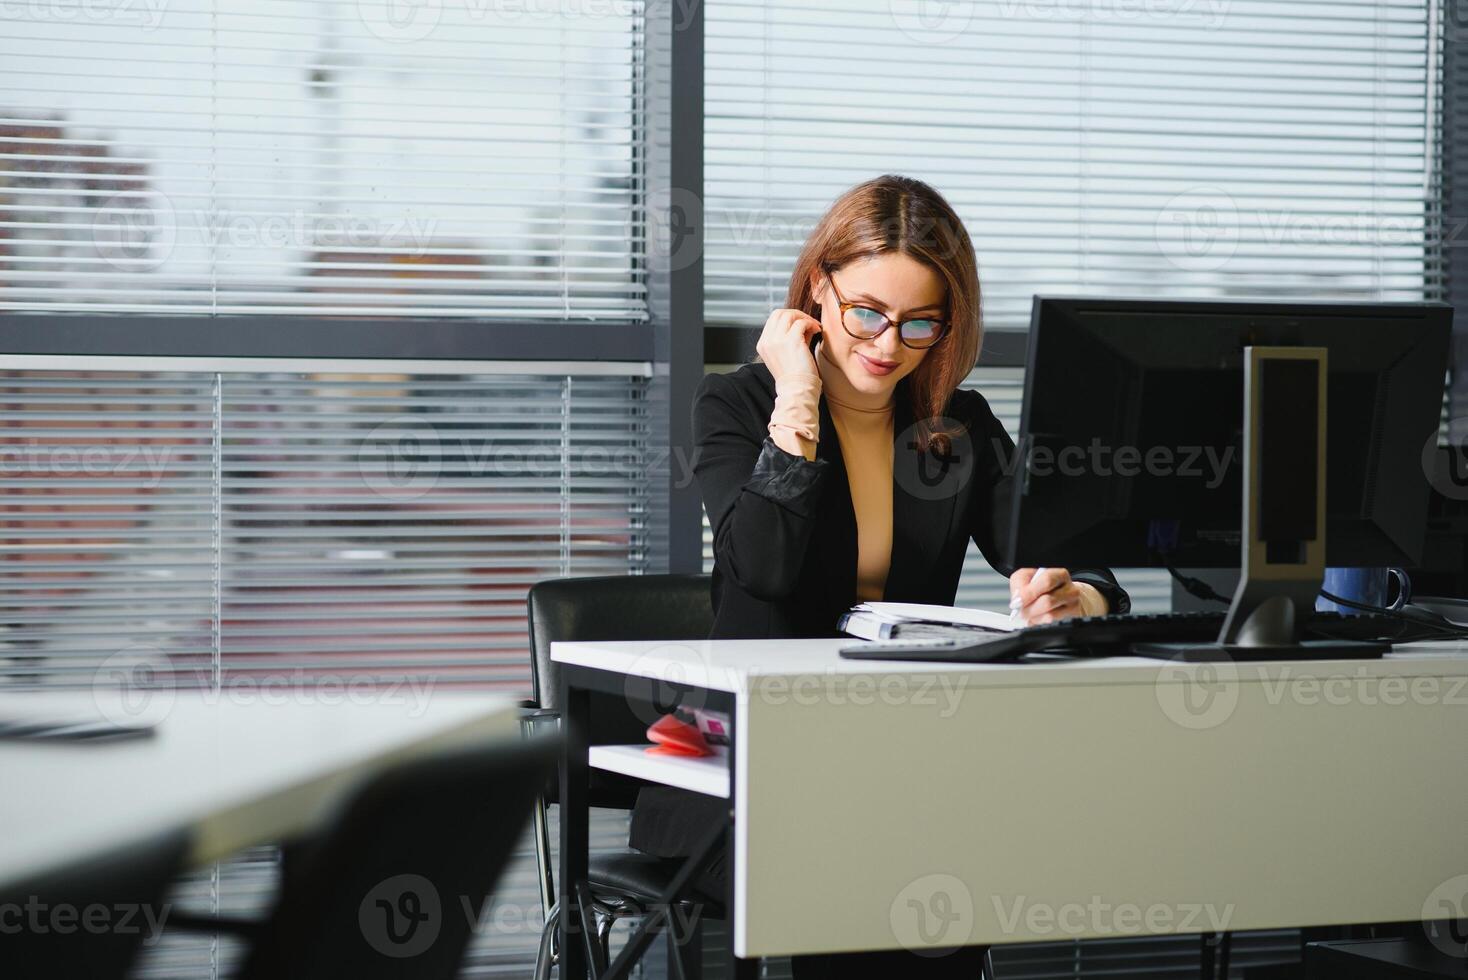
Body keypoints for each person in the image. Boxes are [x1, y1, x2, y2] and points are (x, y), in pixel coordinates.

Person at [631, 174, 1130, 978]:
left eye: (920, 323)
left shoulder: (955, 425)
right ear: (817, 288)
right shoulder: (735, 406)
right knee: (871, 852)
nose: (889, 345)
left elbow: (1071, 551)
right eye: (867, 311)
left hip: (900, 753)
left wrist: (1079, 595)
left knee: (947, 850)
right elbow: (763, 565)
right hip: (750, 769)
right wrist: (797, 397)